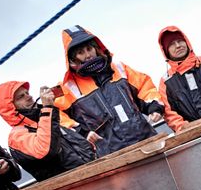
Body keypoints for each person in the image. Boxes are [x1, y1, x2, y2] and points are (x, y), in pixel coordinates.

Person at [53, 25, 165, 156]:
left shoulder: (119, 68)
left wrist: (154, 107)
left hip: (147, 141)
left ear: (96, 48)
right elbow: (55, 115)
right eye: (81, 52)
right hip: (112, 156)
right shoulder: (67, 87)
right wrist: (80, 131)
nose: (88, 55)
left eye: (89, 49)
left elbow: (144, 86)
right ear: (72, 59)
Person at [0, 80, 96, 181]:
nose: (29, 97)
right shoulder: (17, 136)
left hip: (92, 175)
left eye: (27, 93)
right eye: (21, 97)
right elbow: (46, 150)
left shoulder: (45, 121)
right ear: (10, 107)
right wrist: (48, 108)